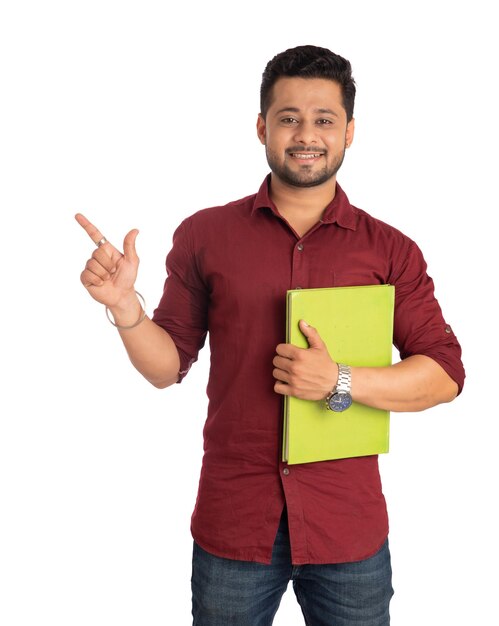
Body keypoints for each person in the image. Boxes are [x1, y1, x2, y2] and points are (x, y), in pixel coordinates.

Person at [76, 45, 465, 626]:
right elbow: (166, 367)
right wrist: (127, 310)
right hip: (235, 526)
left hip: (347, 530)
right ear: (262, 126)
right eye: (288, 118)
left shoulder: (390, 250)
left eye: (324, 120)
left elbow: (445, 374)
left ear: (350, 132)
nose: (305, 134)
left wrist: (337, 381)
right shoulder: (205, 235)